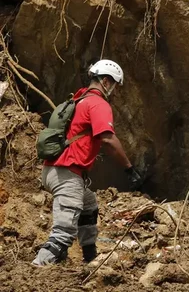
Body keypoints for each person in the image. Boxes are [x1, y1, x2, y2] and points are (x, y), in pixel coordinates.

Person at [33, 60, 142, 266]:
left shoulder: (78, 100)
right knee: (63, 232)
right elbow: (108, 140)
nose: (116, 92)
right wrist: (129, 169)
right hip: (67, 174)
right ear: (107, 82)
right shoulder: (98, 104)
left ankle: (90, 256)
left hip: (52, 171)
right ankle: (38, 268)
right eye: (116, 86)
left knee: (88, 204)